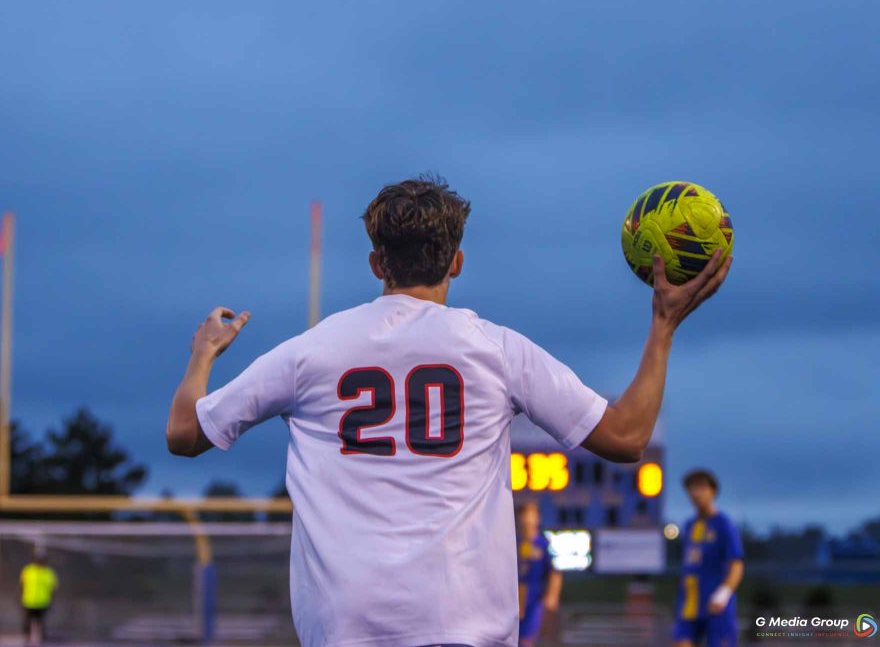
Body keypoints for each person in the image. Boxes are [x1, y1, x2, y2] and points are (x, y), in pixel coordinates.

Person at [166, 175, 732, 647]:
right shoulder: (495, 349)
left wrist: (202, 355)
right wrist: (663, 326)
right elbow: (628, 437)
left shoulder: (310, 350)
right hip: (464, 628)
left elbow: (185, 433)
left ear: (375, 261)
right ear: (456, 261)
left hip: (347, 629)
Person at [672, 469, 744, 647]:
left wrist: (723, 594)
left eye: (701, 487)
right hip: (690, 602)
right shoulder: (690, 525)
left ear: (712, 491)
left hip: (715, 604)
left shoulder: (723, 524)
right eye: (692, 488)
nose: (696, 493)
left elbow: (736, 565)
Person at [516, 502, 562, 646]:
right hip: (514, 595)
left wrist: (552, 596)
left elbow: (554, 572)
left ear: (538, 518)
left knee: (527, 638)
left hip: (534, 596)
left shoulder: (542, 543)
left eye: (531, 515)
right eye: (524, 515)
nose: (527, 519)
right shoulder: (513, 542)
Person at [19, 550, 58, 647]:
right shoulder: (28, 570)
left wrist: (51, 599)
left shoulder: (48, 573)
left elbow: (53, 588)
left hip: (42, 602)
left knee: (41, 623)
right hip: (29, 601)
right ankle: (27, 641)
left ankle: (42, 642)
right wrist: (20, 596)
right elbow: (22, 585)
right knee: (27, 622)